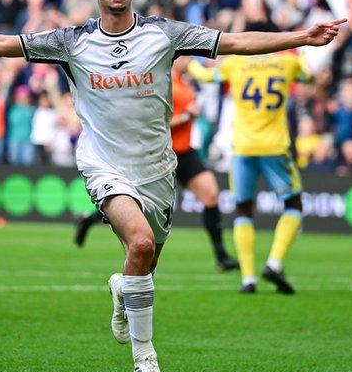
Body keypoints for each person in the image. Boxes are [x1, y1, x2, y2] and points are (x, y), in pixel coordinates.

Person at [0, 0, 345, 372]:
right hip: (103, 164)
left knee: (143, 264)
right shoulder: (70, 42)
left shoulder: (165, 34)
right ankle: (145, 360)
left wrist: (300, 37)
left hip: (158, 169)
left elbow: (236, 42)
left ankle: (123, 288)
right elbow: (0, 45)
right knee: (142, 242)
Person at [73, 57, 240, 273]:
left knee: (210, 195)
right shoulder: (159, 82)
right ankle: (91, 219)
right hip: (159, 154)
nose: (191, 59)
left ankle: (221, 256)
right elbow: (152, 123)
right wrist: (187, 116)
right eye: (186, 56)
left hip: (185, 152)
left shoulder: (184, 83)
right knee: (139, 205)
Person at [189, 50, 315, 295]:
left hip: (243, 147)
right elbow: (308, 76)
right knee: (294, 204)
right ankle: (274, 264)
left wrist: (190, 63)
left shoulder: (235, 65)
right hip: (274, 146)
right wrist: (302, 61)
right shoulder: (287, 63)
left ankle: (248, 279)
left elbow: (205, 76)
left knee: (243, 208)